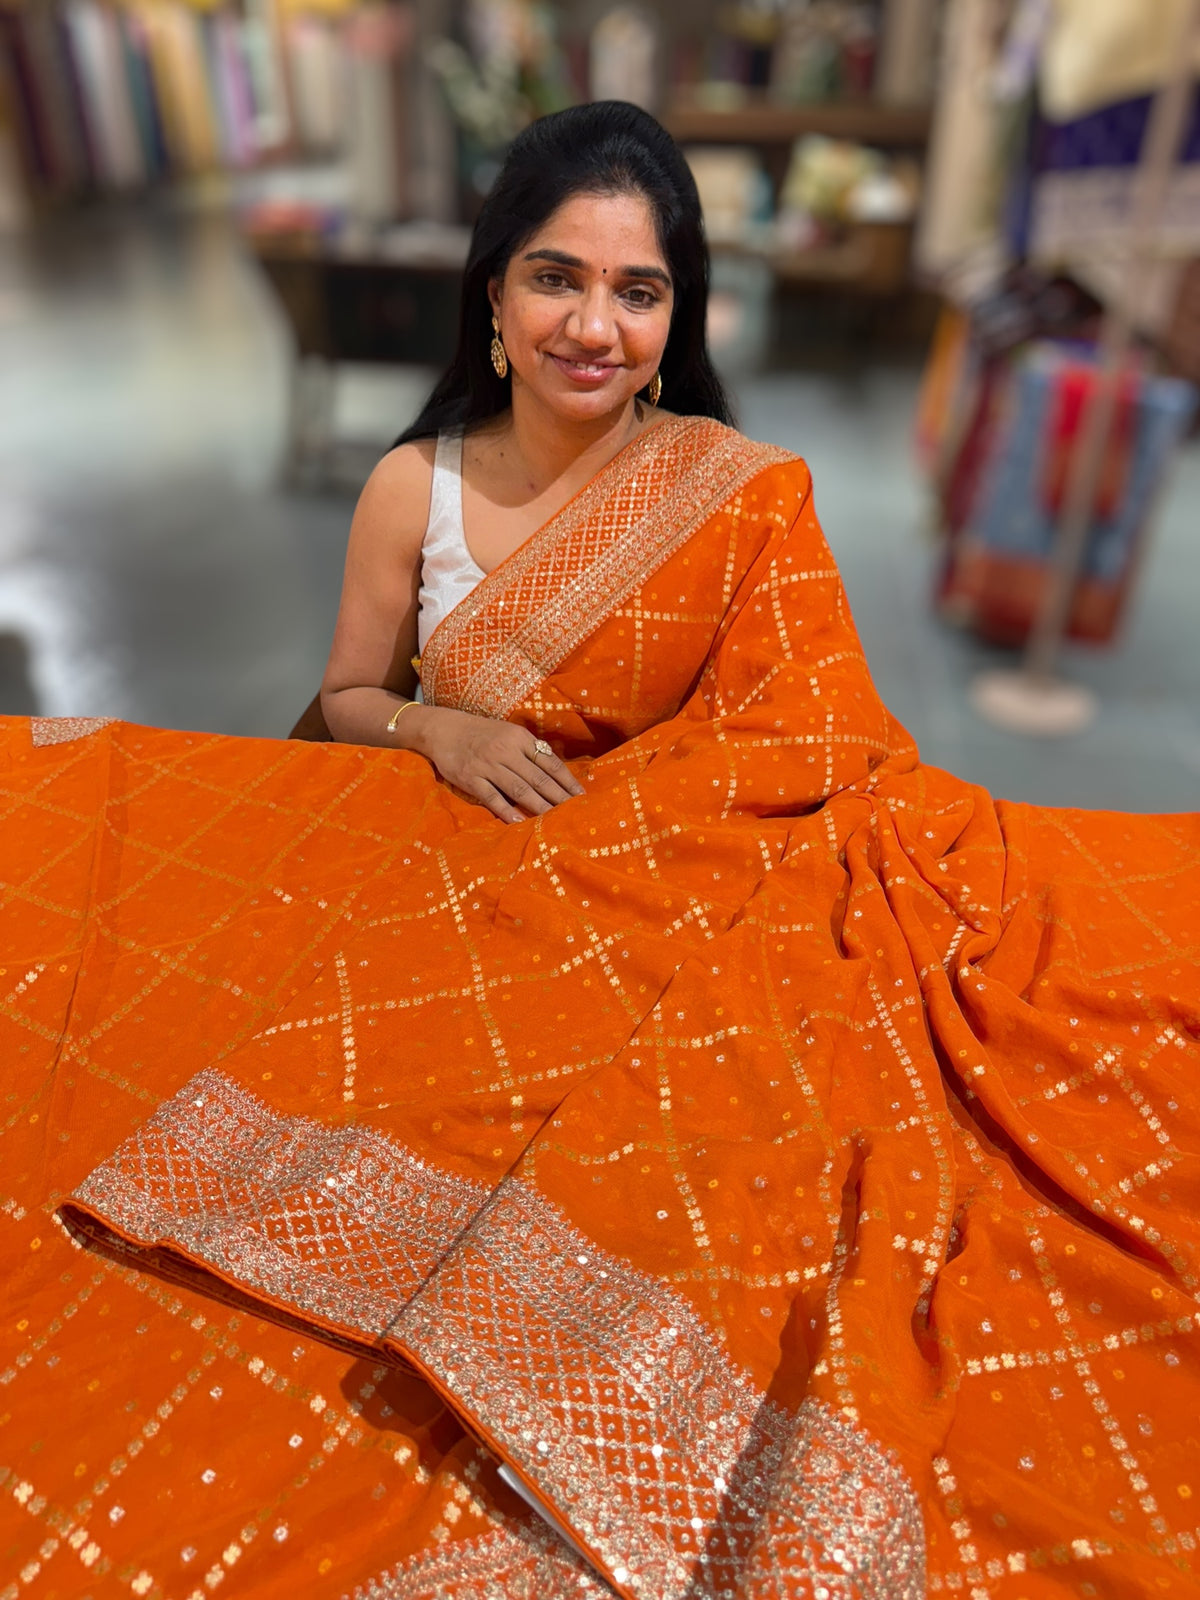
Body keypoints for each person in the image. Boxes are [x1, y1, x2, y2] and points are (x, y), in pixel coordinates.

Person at [3, 101, 1199, 1600]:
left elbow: (817, 743)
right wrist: (431, 733)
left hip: (678, 913)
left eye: (641, 292)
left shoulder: (745, 495)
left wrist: (650, 830)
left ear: (680, 313)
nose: (596, 325)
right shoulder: (413, 489)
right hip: (451, 880)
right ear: (493, 297)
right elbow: (350, 696)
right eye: (557, 279)